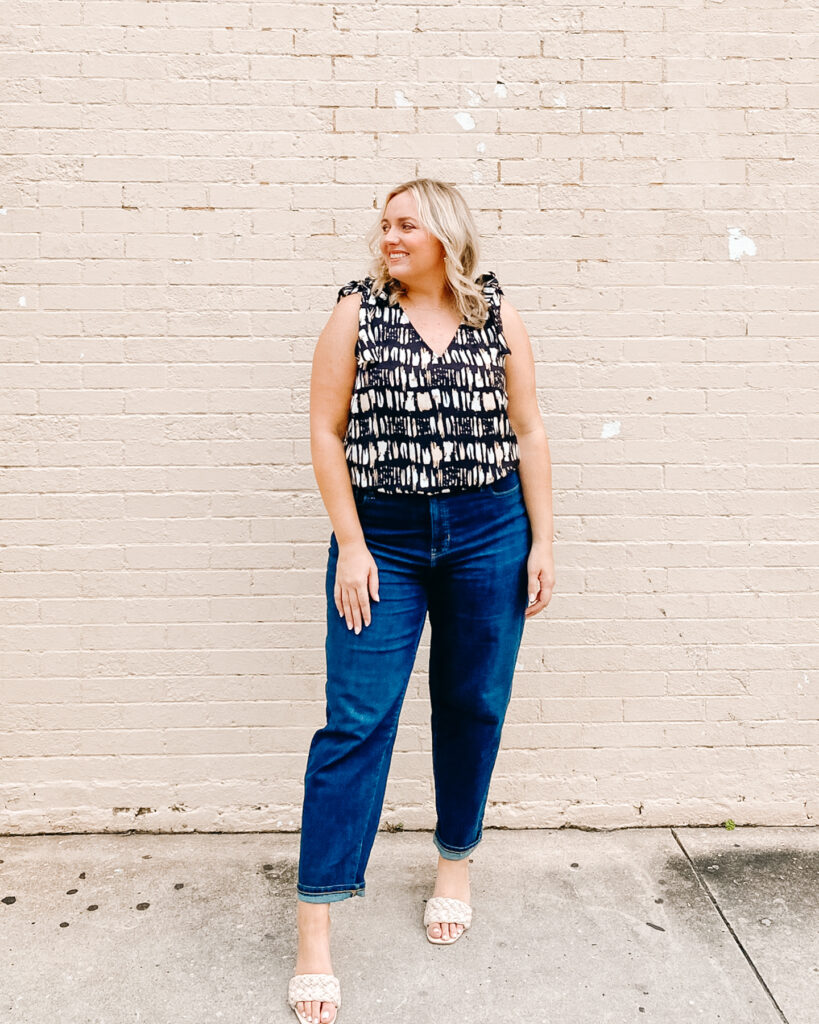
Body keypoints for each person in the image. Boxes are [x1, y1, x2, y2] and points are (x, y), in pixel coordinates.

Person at [287, 178, 555, 1024]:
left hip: (488, 528)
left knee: (473, 702)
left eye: (405, 225)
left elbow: (529, 431)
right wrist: (354, 546)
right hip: (386, 539)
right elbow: (325, 430)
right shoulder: (355, 313)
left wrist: (544, 540)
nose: (388, 237)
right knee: (356, 718)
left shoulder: (495, 316)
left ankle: (453, 865)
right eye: (384, 225)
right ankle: (315, 932)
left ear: (444, 233)